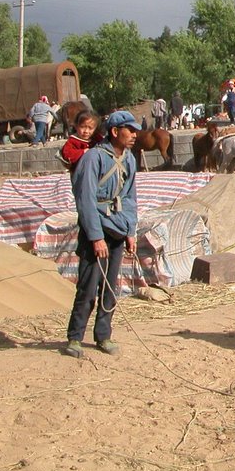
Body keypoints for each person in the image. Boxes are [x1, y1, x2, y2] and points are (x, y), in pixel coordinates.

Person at [64, 110, 140, 359]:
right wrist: (96, 237)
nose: (134, 135)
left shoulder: (129, 159)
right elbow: (85, 200)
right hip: (95, 230)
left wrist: (130, 230)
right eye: (130, 130)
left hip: (117, 229)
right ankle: (75, 338)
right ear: (115, 132)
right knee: (88, 287)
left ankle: (103, 335)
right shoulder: (92, 158)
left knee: (110, 287)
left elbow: (130, 197)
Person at [58, 111, 101, 177]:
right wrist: (83, 152)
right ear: (76, 126)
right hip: (80, 174)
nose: (86, 131)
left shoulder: (97, 139)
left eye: (90, 128)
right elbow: (67, 154)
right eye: (83, 127)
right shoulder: (72, 141)